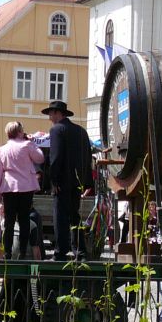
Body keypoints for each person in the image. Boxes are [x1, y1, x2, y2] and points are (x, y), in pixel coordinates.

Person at [42, 100, 92, 261]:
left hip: (62, 182)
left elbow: (55, 158)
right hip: (77, 182)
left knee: (60, 218)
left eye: (51, 113)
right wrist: (87, 182)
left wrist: (53, 181)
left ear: (57, 113)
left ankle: (60, 252)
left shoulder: (56, 130)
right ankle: (80, 252)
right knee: (74, 217)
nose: (49, 116)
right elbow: (87, 157)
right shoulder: (81, 131)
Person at [0, 121, 45, 260]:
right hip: (26, 187)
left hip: (9, 188)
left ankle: (8, 252)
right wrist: (32, 142)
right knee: (24, 220)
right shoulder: (27, 145)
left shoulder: (2, 149)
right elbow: (40, 157)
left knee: (9, 222)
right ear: (20, 132)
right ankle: (22, 251)